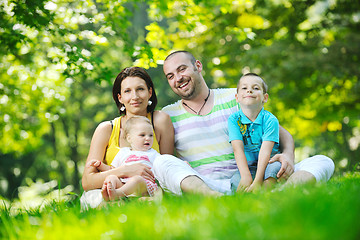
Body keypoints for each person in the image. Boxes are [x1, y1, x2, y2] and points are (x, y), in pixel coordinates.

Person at [154, 50, 335, 195]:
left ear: (198, 66)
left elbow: (282, 133)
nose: (178, 78)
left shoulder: (237, 97)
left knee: (323, 161)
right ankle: (215, 199)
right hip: (207, 184)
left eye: (182, 69)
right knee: (162, 163)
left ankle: (281, 194)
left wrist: (288, 156)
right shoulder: (168, 115)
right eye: (170, 76)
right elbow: (166, 157)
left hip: (253, 176)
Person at [80, 66, 175, 208]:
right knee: (98, 198)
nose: (135, 96)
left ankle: (127, 205)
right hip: (111, 190)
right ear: (120, 98)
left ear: (150, 92)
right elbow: (87, 182)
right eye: (127, 91)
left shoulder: (160, 121)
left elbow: (167, 172)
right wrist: (125, 171)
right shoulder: (106, 129)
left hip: (146, 192)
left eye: (140, 89)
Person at [228, 73, 281, 193]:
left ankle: (265, 191)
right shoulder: (234, 119)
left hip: (269, 162)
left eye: (255, 88)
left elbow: (266, 151)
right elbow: (238, 149)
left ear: (265, 97)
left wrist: (257, 180)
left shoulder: (270, 120)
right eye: (244, 88)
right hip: (248, 166)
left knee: (275, 169)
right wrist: (246, 176)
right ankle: (249, 194)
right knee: (236, 181)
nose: (249, 91)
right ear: (237, 97)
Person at [88, 116, 161, 200]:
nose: (148, 138)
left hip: (143, 186)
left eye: (151, 135)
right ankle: (109, 193)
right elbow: (112, 169)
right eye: (142, 135)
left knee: (136, 179)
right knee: (111, 177)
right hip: (123, 184)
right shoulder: (123, 152)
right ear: (129, 138)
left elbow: (161, 170)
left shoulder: (153, 154)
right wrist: (100, 165)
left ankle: (117, 194)